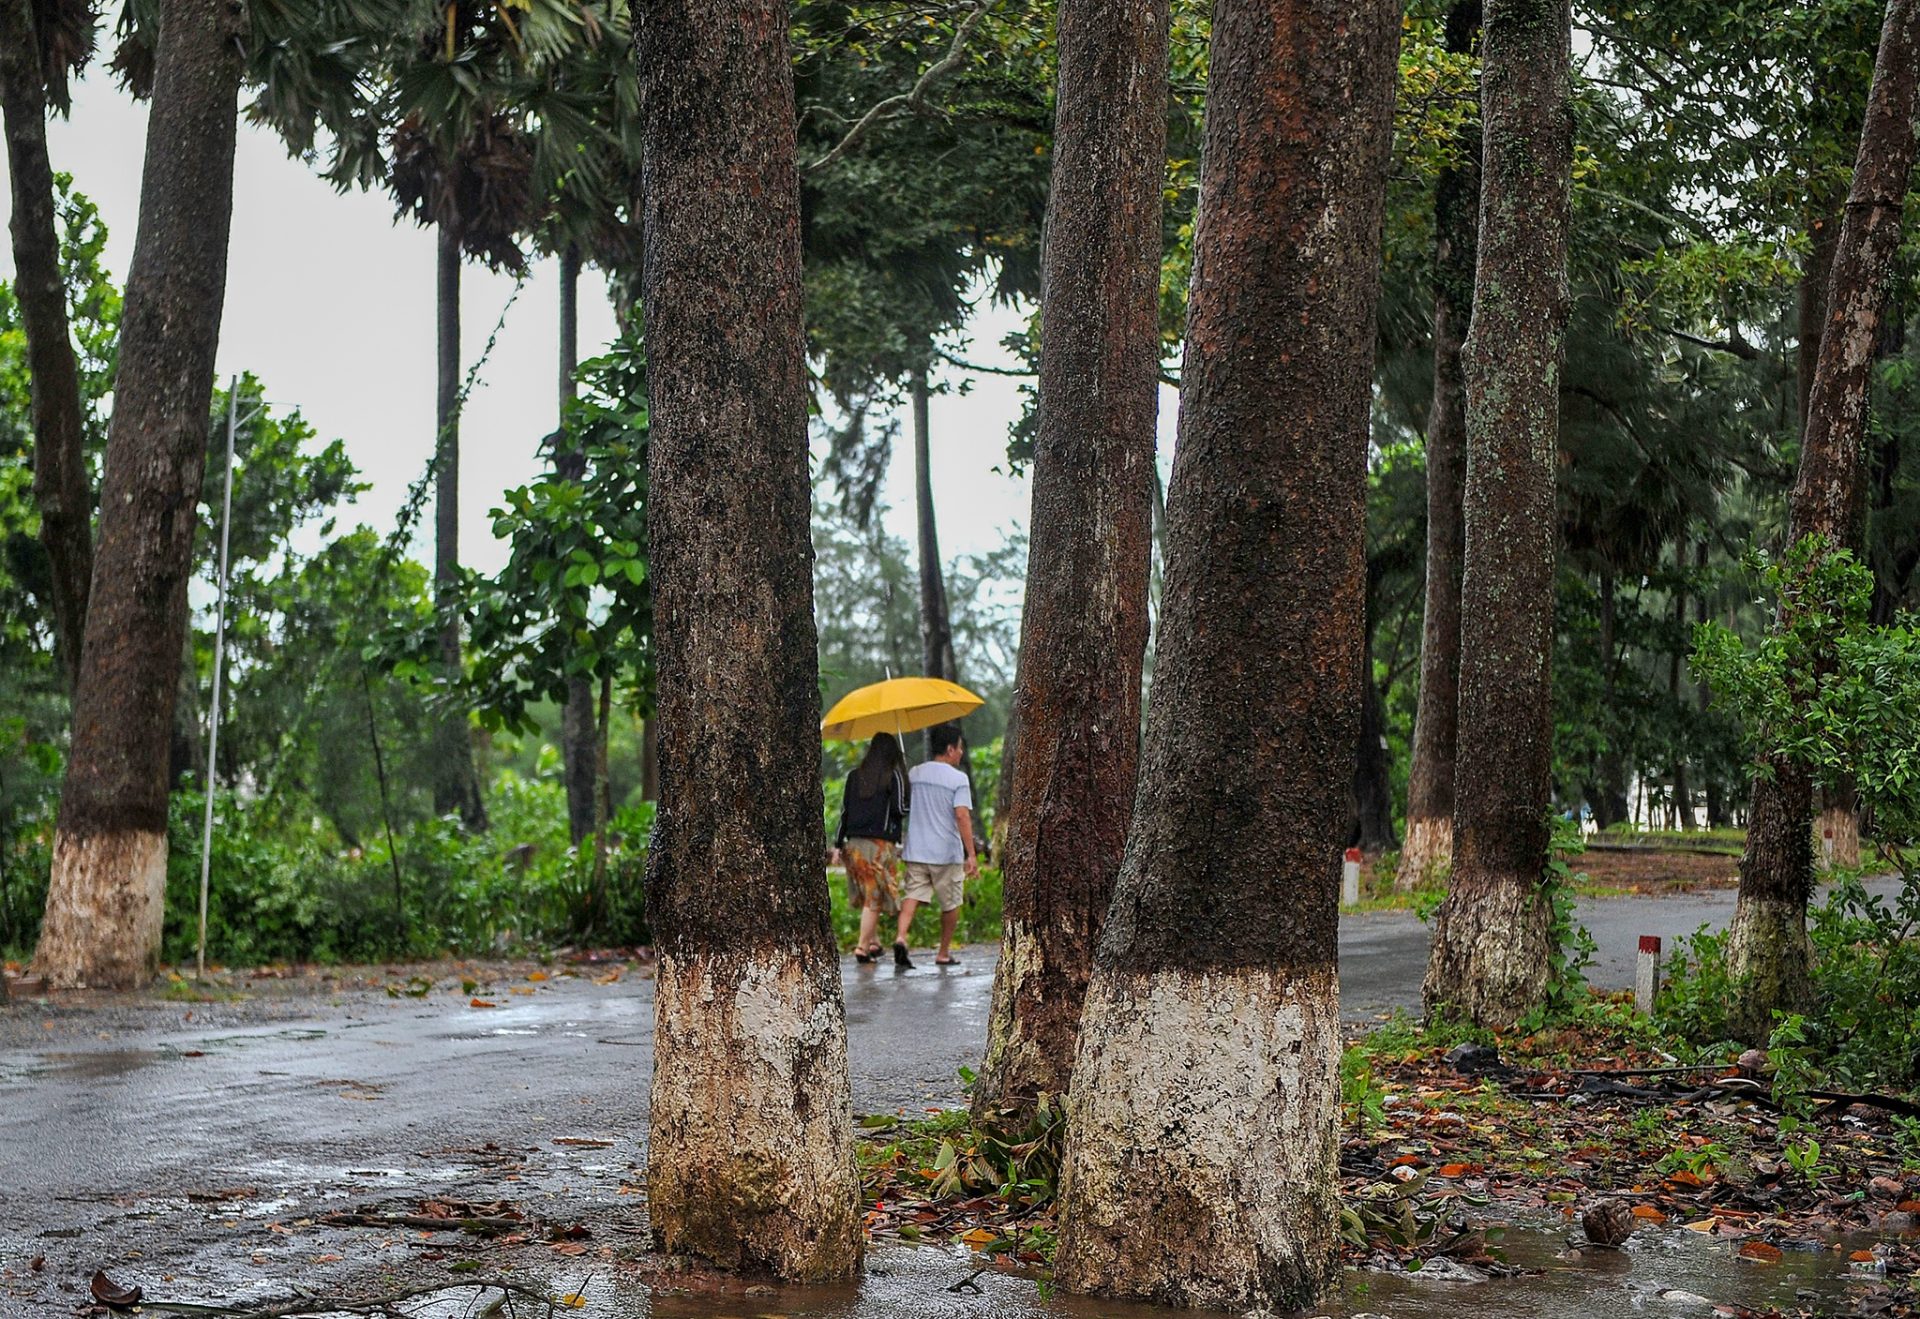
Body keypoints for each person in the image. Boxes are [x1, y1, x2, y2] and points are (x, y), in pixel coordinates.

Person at [894, 722, 978, 968]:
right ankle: (942, 952)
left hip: (917, 849)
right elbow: (962, 816)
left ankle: (901, 937)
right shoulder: (958, 779)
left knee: (913, 895)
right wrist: (970, 854)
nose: (961, 753)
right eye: (960, 748)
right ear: (950, 749)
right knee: (951, 902)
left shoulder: (915, 773)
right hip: (945, 852)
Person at [834, 732, 908, 964]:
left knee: (867, 894)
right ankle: (862, 947)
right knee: (874, 898)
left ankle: (874, 943)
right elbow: (899, 809)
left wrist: (838, 844)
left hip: (853, 844)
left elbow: (844, 813)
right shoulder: (892, 776)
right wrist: (907, 787)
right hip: (878, 845)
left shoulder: (855, 776)